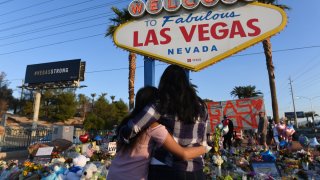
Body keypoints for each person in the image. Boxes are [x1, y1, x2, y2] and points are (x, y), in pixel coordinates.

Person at [119, 65, 209, 180]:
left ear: (164, 82)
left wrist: (122, 134)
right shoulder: (202, 106)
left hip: (164, 169)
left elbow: (133, 127)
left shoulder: (161, 103)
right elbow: (203, 142)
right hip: (196, 170)